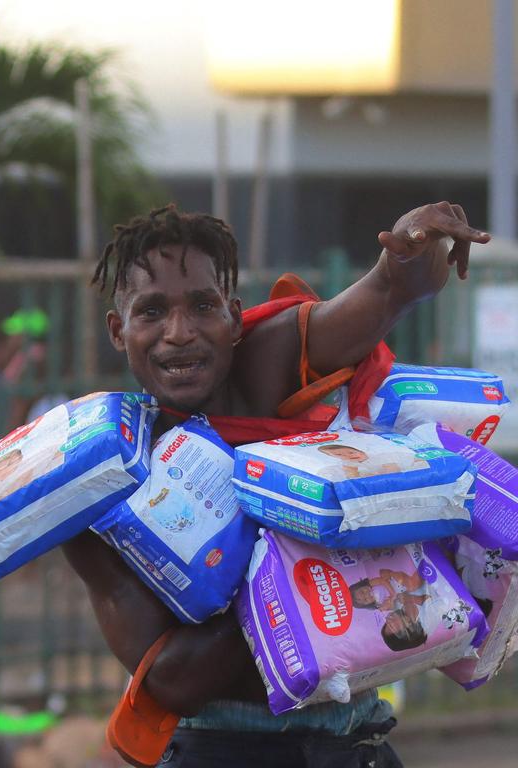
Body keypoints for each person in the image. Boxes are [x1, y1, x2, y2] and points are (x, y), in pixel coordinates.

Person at [61, 201, 490, 767]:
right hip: (223, 749)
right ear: (119, 331)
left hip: (355, 739)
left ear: (235, 318)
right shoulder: (98, 479)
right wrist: (296, 564)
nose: (179, 333)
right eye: (151, 312)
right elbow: (170, 680)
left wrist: (411, 254)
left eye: (203, 306)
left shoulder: (268, 361)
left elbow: (386, 294)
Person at [315, 443, 428, 480]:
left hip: (413, 462)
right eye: (339, 455)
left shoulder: (379, 457)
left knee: (419, 467)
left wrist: (377, 475)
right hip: (384, 472)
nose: (348, 456)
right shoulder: (349, 464)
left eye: (351, 452)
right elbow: (352, 477)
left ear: (361, 451)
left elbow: (393, 470)